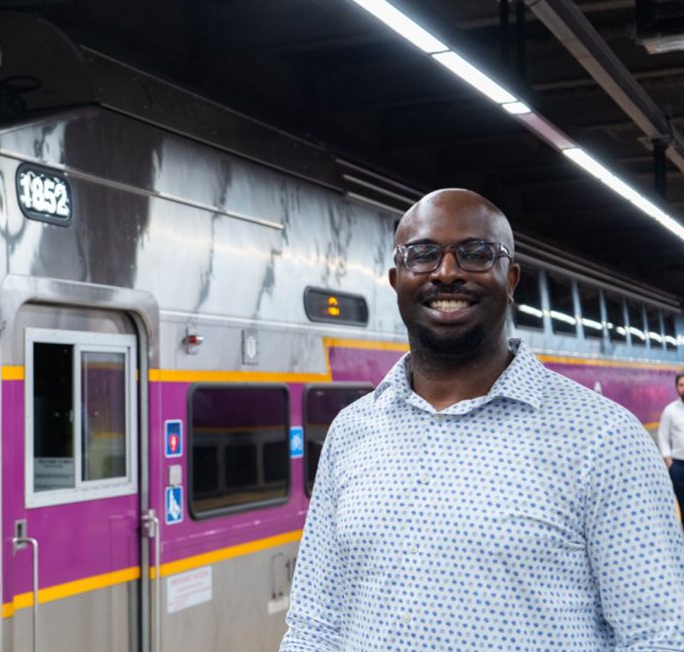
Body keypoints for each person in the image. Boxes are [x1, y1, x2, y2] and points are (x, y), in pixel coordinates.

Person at [280, 188, 684, 651]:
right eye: (422, 255)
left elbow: (659, 635)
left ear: (510, 278)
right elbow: (315, 624)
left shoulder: (605, 438)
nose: (446, 272)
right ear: (397, 279)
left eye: (475, 254)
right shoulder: (351, 432)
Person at [658, 373, 684, 526]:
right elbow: (663, 437)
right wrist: (669, 463)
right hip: (679, 466)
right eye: (681, 385)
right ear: (676, 388)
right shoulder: (670, 411)